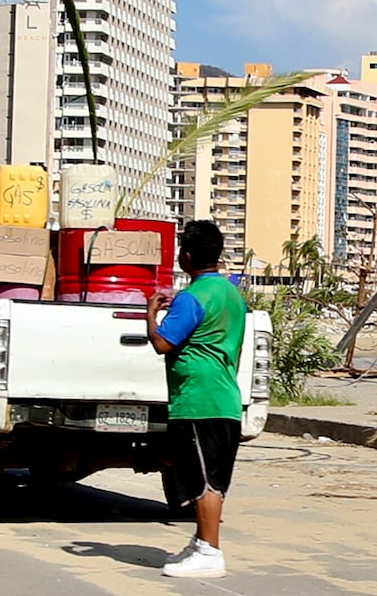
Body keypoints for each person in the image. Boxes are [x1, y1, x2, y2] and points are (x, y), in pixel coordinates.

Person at [146, 220, 246, 579]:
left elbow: (163, 343)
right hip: (224, 397)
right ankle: (202, 541)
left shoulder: (191, 297)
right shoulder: (231, 294)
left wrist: (151, 314)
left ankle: (209, 551)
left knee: (203, 480)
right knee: (212, 477)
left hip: (198, 400)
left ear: (186, 257)